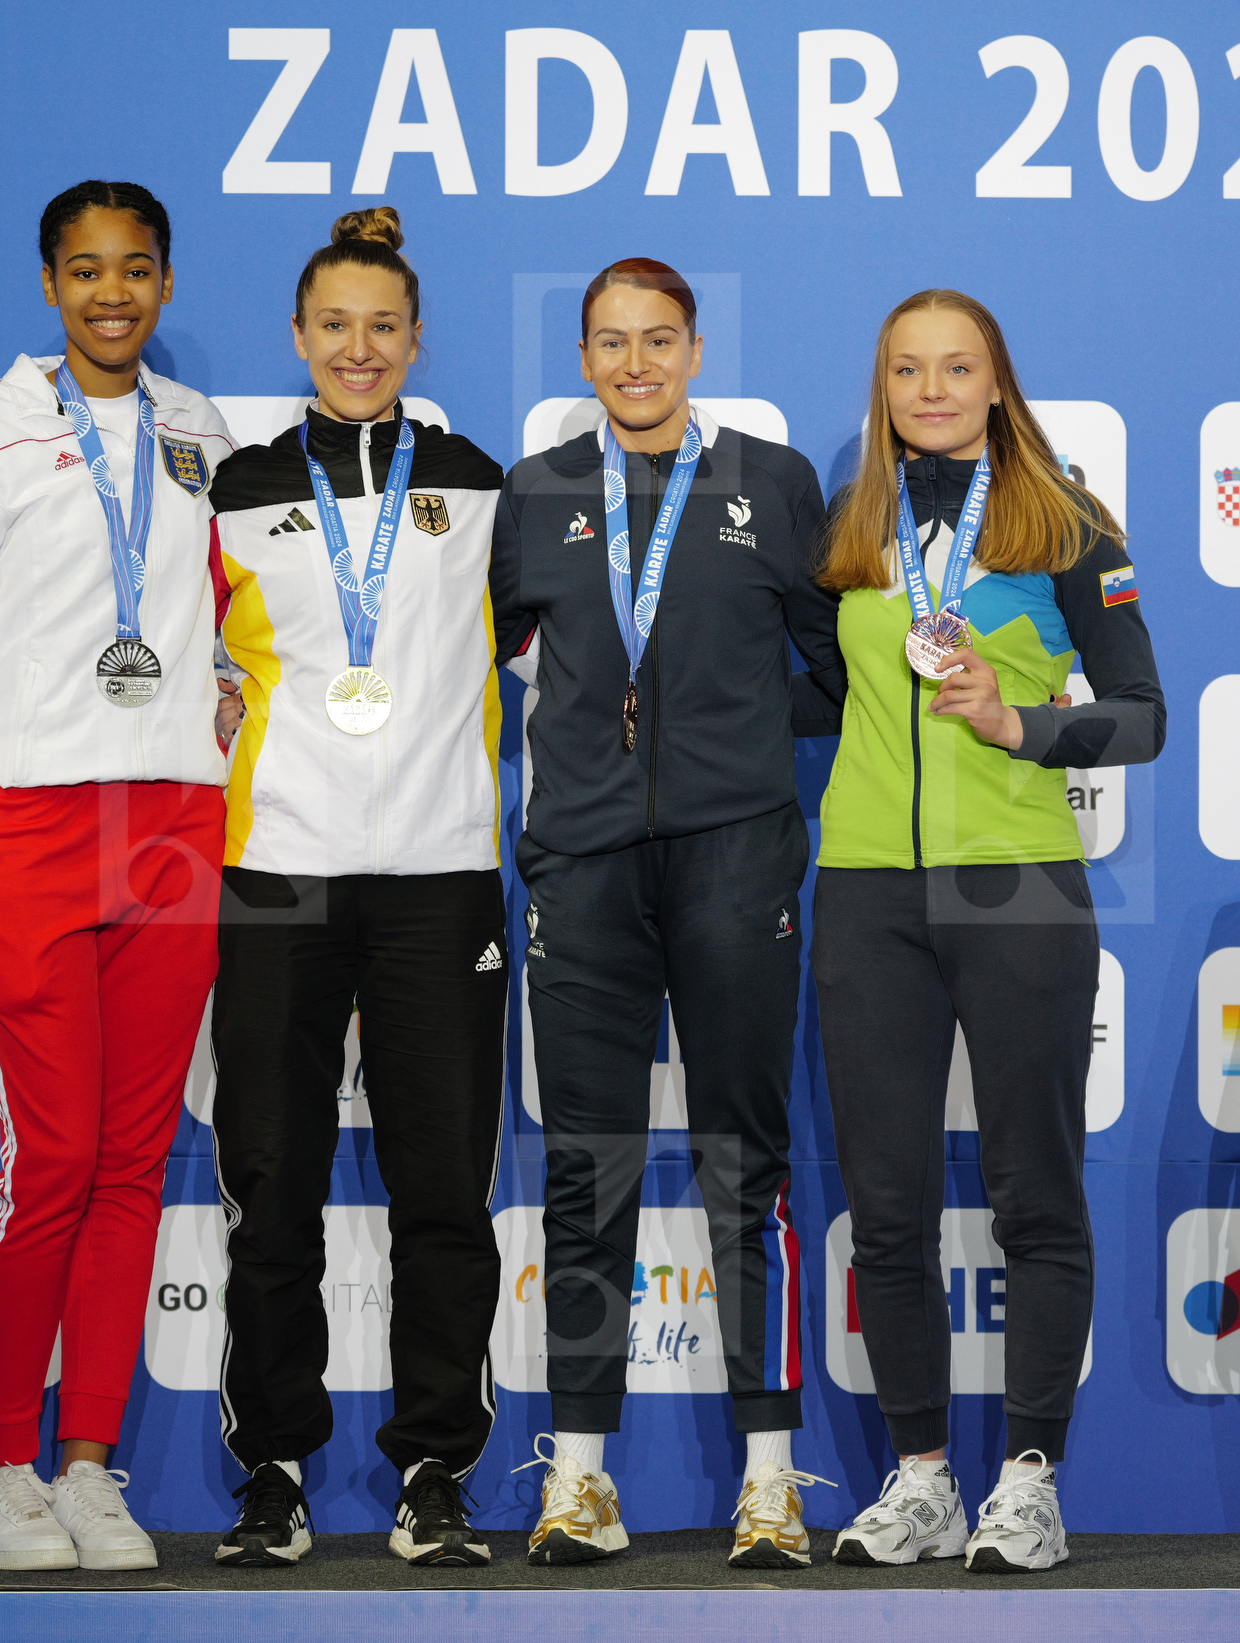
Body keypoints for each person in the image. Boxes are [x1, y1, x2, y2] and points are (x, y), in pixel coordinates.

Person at [0, 179, 235, 1571]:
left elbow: (229, 631)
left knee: (138, 1161)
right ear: (48, 284)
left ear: (165, 284)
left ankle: (88, 1461)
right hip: (31, 824)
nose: (112, 292)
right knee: (54, 1158)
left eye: (137, 269)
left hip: (174, 823)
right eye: (86, 270)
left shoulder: (200, 432)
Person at [490, 257, 845, 1568]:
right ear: (584, 360)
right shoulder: (536, 495)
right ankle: (577, 1476)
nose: (635, 366)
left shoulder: (772, 479)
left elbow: (834, 669)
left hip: (735, 862)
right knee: (587, 1167)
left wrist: (730, 744)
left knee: (745, 1165)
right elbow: (468, 658)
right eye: (610, 344)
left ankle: (770, 1479)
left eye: (658, 341)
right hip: (581, 866)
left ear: (695, 348)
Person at [805, 290, 1164, 1573]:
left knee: (1032, 1190)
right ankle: (918, 1480)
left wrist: (1023, 724)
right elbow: (806, 688)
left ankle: (1026, 1476)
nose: (934, 388)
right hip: (864, 884)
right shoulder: (850, 522)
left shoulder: (1063, 523)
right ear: (883, 386)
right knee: (886, 1203)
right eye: (909, 368)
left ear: (999, 382)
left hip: (1015, 881)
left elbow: (1141, 714)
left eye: (959, 367)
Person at [203, 207, 508, 1569]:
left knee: (443, 1183)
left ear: (416, 335)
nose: (361, 348)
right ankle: (272, 1463)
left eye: (385, 325)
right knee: (273, 1185)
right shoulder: (238, 487)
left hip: (442, 875)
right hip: (276, 870)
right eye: (336, 325)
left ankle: (436, 1463)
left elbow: (549, 656)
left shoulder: (481, 479)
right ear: (299, 336)